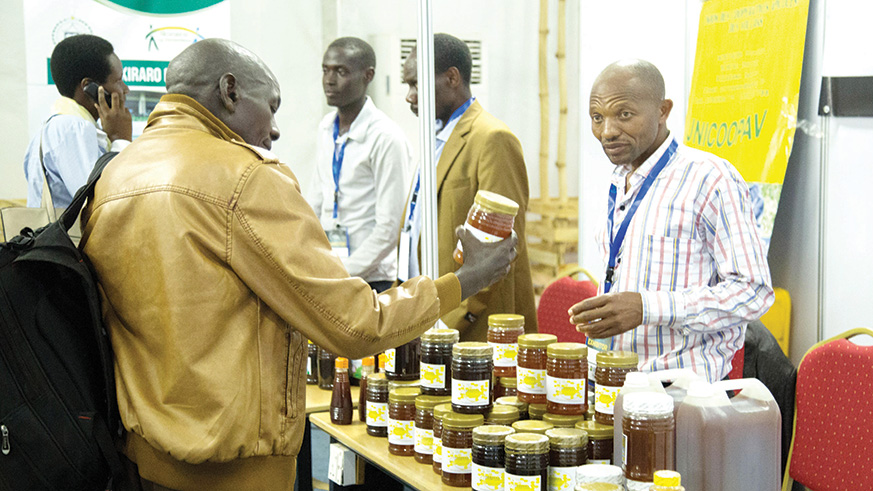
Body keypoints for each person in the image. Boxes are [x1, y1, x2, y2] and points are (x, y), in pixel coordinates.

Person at [81, 38, 516, 490]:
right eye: (271, 106)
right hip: (234, 470)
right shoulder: (244, 177)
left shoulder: (114, 174)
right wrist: (463, 280)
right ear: (230, 92)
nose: (274, 131)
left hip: (142, 458)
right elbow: (355, 324)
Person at [569, 59, 774, 383]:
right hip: (614, 385)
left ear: (663, 110)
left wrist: (648, 307)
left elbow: (753, 292)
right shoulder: (619, 180)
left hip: (681, 395)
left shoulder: (710, 178)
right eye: (597, 118)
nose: (607, 131)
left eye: (624, 115)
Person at [400, 33, 537, 341]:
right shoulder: (435, 137)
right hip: (428, 313)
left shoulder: (492, 139)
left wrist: (455, 319)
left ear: (451, 78)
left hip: (471, 328)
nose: (409, 96)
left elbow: (499, 250)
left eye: (416, 84)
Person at [308, 37, 412, 292]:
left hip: (371, 278)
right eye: (325, 70)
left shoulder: (386, 137)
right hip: (328, 271)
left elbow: (389, 227)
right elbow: (315, 204)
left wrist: (344, 272)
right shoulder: (325, 128)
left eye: (341, 72)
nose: (329, 80)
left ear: (368, 75)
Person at [23, 34, 131, 208]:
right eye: (118, 80)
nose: (126, 89)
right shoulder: (71, 128)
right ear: (89, 87)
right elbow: (105, 202)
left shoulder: (57, 126)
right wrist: (120, 139)